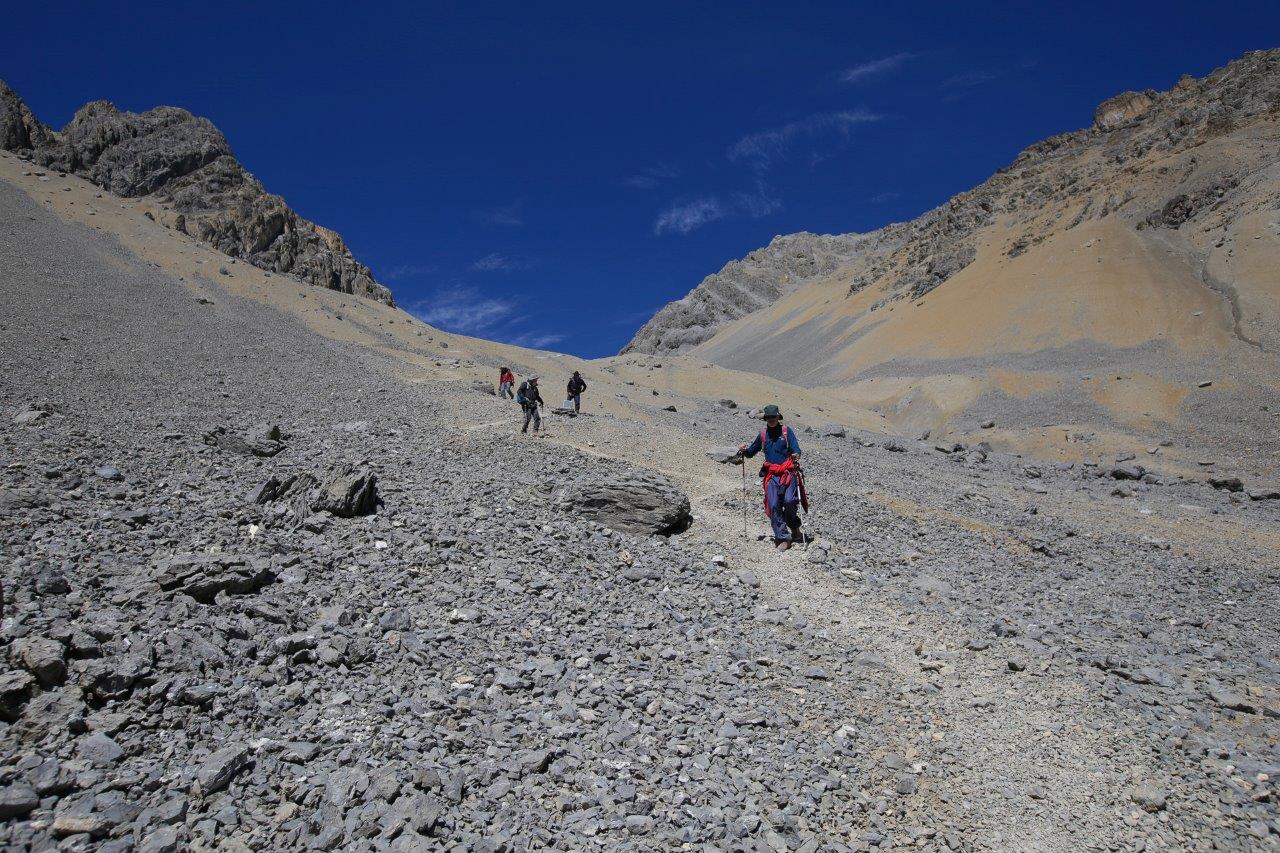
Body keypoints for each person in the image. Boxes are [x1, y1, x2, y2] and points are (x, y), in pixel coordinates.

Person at [738, 404, 804, 550]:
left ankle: (794, 528)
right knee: (773, 504)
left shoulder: (786, 432)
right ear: (765, 418)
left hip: (788, 473)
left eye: (773, 417)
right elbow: (751, 452)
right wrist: (744, 451)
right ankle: (783, 538)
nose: (771, 419)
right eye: (768, 417)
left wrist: (796, 454)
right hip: (771, 475)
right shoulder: (763, 435)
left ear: (778, 417)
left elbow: (796, 448)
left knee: (790, 501)